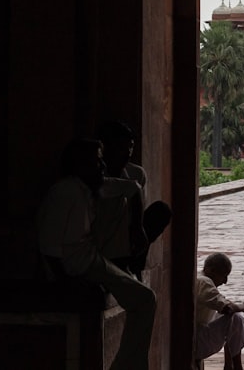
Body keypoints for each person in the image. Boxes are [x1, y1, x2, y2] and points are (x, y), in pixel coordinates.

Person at [37, 137, 156, 370]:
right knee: (144, 299)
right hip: (79, 266)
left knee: (145, 299)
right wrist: (64, 283)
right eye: (96, 162)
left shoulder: (90, 187)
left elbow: (131, 187)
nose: (102, 167)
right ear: (79, 165)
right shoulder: (65, 192)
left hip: (91, 259)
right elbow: (48, 245)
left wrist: (137, 227)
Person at [96, 120, 172, 280]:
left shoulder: (136, 173)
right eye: (120, 147)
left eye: (130, 147)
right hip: (103, 242)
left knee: (161, 210)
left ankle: (134, 262)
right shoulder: (95, 176)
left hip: (128, 239)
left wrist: (138, 228)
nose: (127, 152)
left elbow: (136, 209)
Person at [194, 253, 244, 370]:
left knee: (232, 317)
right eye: (224, 276)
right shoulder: (204, 282)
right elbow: (226, 308)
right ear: (211, 271)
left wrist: (241, 306)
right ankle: (236, 367)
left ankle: (229, 365)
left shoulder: (200, 279)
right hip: (195, 342)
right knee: (236, 318)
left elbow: (223, 305)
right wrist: (243, 307)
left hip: (197, 337)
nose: (225, 281)